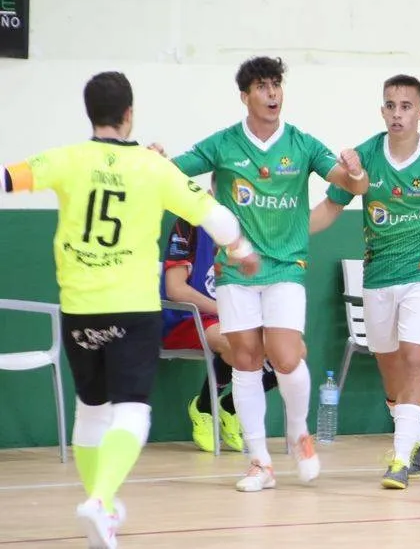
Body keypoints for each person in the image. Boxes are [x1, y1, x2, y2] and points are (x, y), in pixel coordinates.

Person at [1, 71, 259, 549]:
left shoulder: (65, 159)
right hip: (132, 308)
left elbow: (7, 177)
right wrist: (242, 250)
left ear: (90, 113)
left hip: (79, 308)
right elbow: (216, 217)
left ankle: (100, 504)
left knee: (90, 411)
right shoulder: (153, 167)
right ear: (129, 114)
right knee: (132, 411)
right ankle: (100, 500)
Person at [167, 56, 369, 492]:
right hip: (235, 271)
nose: (272, 93)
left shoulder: (301, 143)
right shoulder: (223, 143)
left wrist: (355, 171)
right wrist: (155, 159)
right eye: (262, 86)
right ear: (245, 96)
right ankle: (259, 462)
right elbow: (172, 170)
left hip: (285, 267)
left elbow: (353, 185)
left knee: (287, 356)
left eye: (276, 84)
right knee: (245, 360)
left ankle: (298, 433)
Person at [309, 74, 420, 489]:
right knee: (391, 372)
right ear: (382, 111)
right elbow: (330, 207)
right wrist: (289, 237)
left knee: (414, 360)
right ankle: (414, 440)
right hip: (377, 277)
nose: (398, 114)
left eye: (406, 106)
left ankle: (398, 458)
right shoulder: (364, 156)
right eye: (391, 106)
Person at [158, 176, 281, 453]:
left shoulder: (250, 228)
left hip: (231, 317)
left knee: (288, 353)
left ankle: (230, 406)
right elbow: (175, 290)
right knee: (236, 340)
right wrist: (224, 310)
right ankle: (204, 408)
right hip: (187, 318)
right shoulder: (188, 223)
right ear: (213, 190)